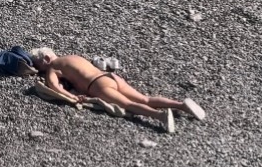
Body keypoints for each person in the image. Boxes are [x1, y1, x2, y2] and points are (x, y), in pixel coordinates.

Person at [29, 47, 205, 134]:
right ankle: (181, 105)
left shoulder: (53, 67)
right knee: (145, 98)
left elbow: (54, 86)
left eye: (39, 66)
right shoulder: (73, 56)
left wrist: (72, 96)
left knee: (128, 105)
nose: (40, 70)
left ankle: (160, 116)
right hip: (110, 77)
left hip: (97, 85)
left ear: (46, 58)